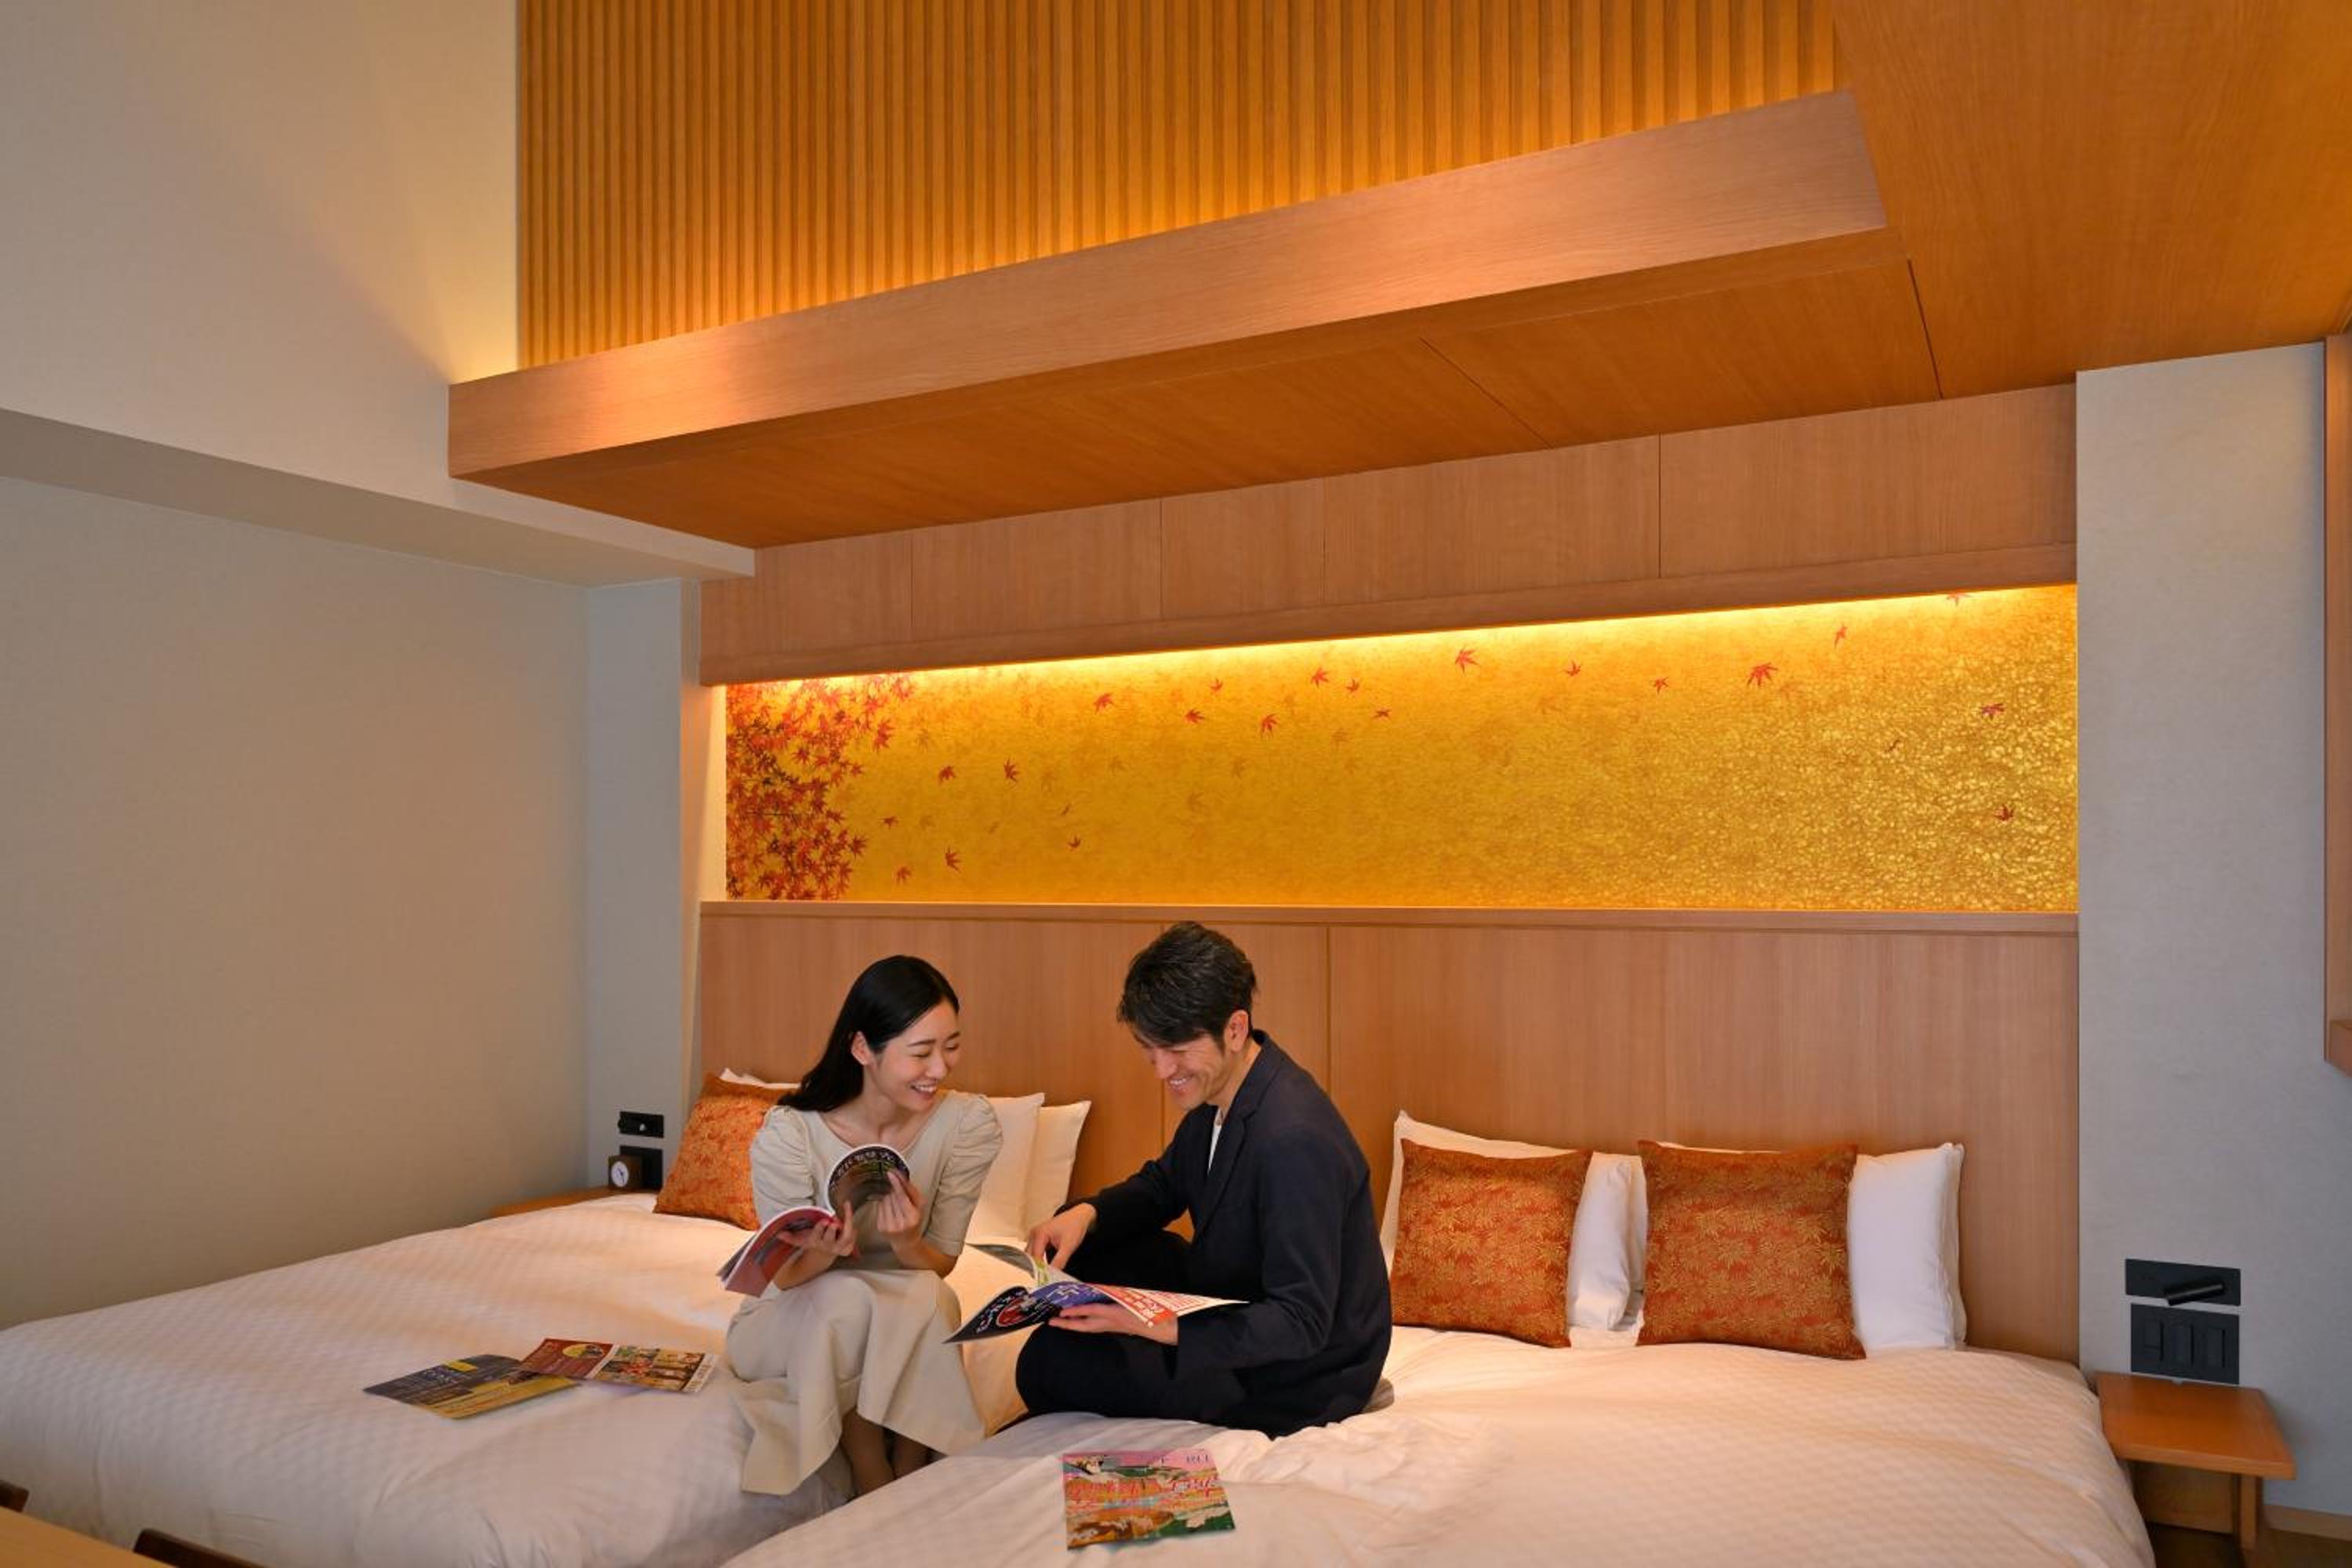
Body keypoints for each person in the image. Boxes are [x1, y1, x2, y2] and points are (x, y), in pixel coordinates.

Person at [1017, 922, 1390, 1436]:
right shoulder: (1223, 1091)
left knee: (1045, 1362)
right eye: (1150, 1050)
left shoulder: (1294, 1139)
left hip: (1298, 1372)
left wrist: (1155, 1324)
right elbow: (1163, 1186)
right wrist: (1085, 1214)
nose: (1161, 1071)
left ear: (1234, 1029)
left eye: (1176, 1049)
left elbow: (1301, 1321)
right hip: (1234, 1289)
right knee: (1080, 1249)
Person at [726, 956, 1003, 1498]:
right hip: (793, 1314)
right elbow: (782, 1277)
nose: (940, 1069)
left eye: (951, 1046)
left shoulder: (965, 1125)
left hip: (900, 1301)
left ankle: (912, 1460)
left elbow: (942, 1264)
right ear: (861, 1049)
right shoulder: (792, 1133)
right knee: (849, 1296)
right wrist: (824, 1253)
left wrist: (907, 1242)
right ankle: (868, 1462)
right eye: (920, 1052)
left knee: (931, 1295)